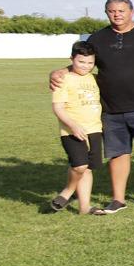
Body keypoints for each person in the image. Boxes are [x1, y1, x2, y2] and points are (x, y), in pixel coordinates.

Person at [50, 0, 134, 214]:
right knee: (118, 154)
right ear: (106, 12)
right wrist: (62, 70)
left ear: (132, 12)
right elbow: (82, 62)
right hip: (110, 108)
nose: (117, 14)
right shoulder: (98, 38)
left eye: (121, 10)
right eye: (112, 11)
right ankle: (118, 199)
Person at [50, 41, 103, 215]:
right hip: (72, 131)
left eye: (90, 63)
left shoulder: (93, 78)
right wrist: (73, 126)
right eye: (81, 62)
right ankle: (68, 192)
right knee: (79, 166)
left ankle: (84, 207)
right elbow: (58, 108)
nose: (86, 66)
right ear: (71, 59)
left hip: (94, 129)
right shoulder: (62, 79)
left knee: (87, 168)